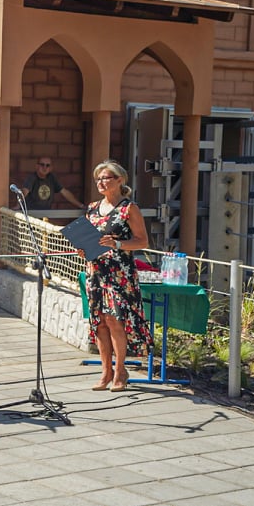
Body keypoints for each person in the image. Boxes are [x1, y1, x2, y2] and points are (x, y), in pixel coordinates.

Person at [78, 160, 152, 392]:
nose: (101, 182)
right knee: (99, 321)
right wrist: (83, 249)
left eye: (106, 178)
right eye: (98, 179)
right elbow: (88, 238)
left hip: (119, 274)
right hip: (96, 272)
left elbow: (142, 241)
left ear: (120, 180)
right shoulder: (92, 208)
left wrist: (118, 243)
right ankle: (105, 372)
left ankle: (120, 370)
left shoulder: (129, 208)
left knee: (115, 320)